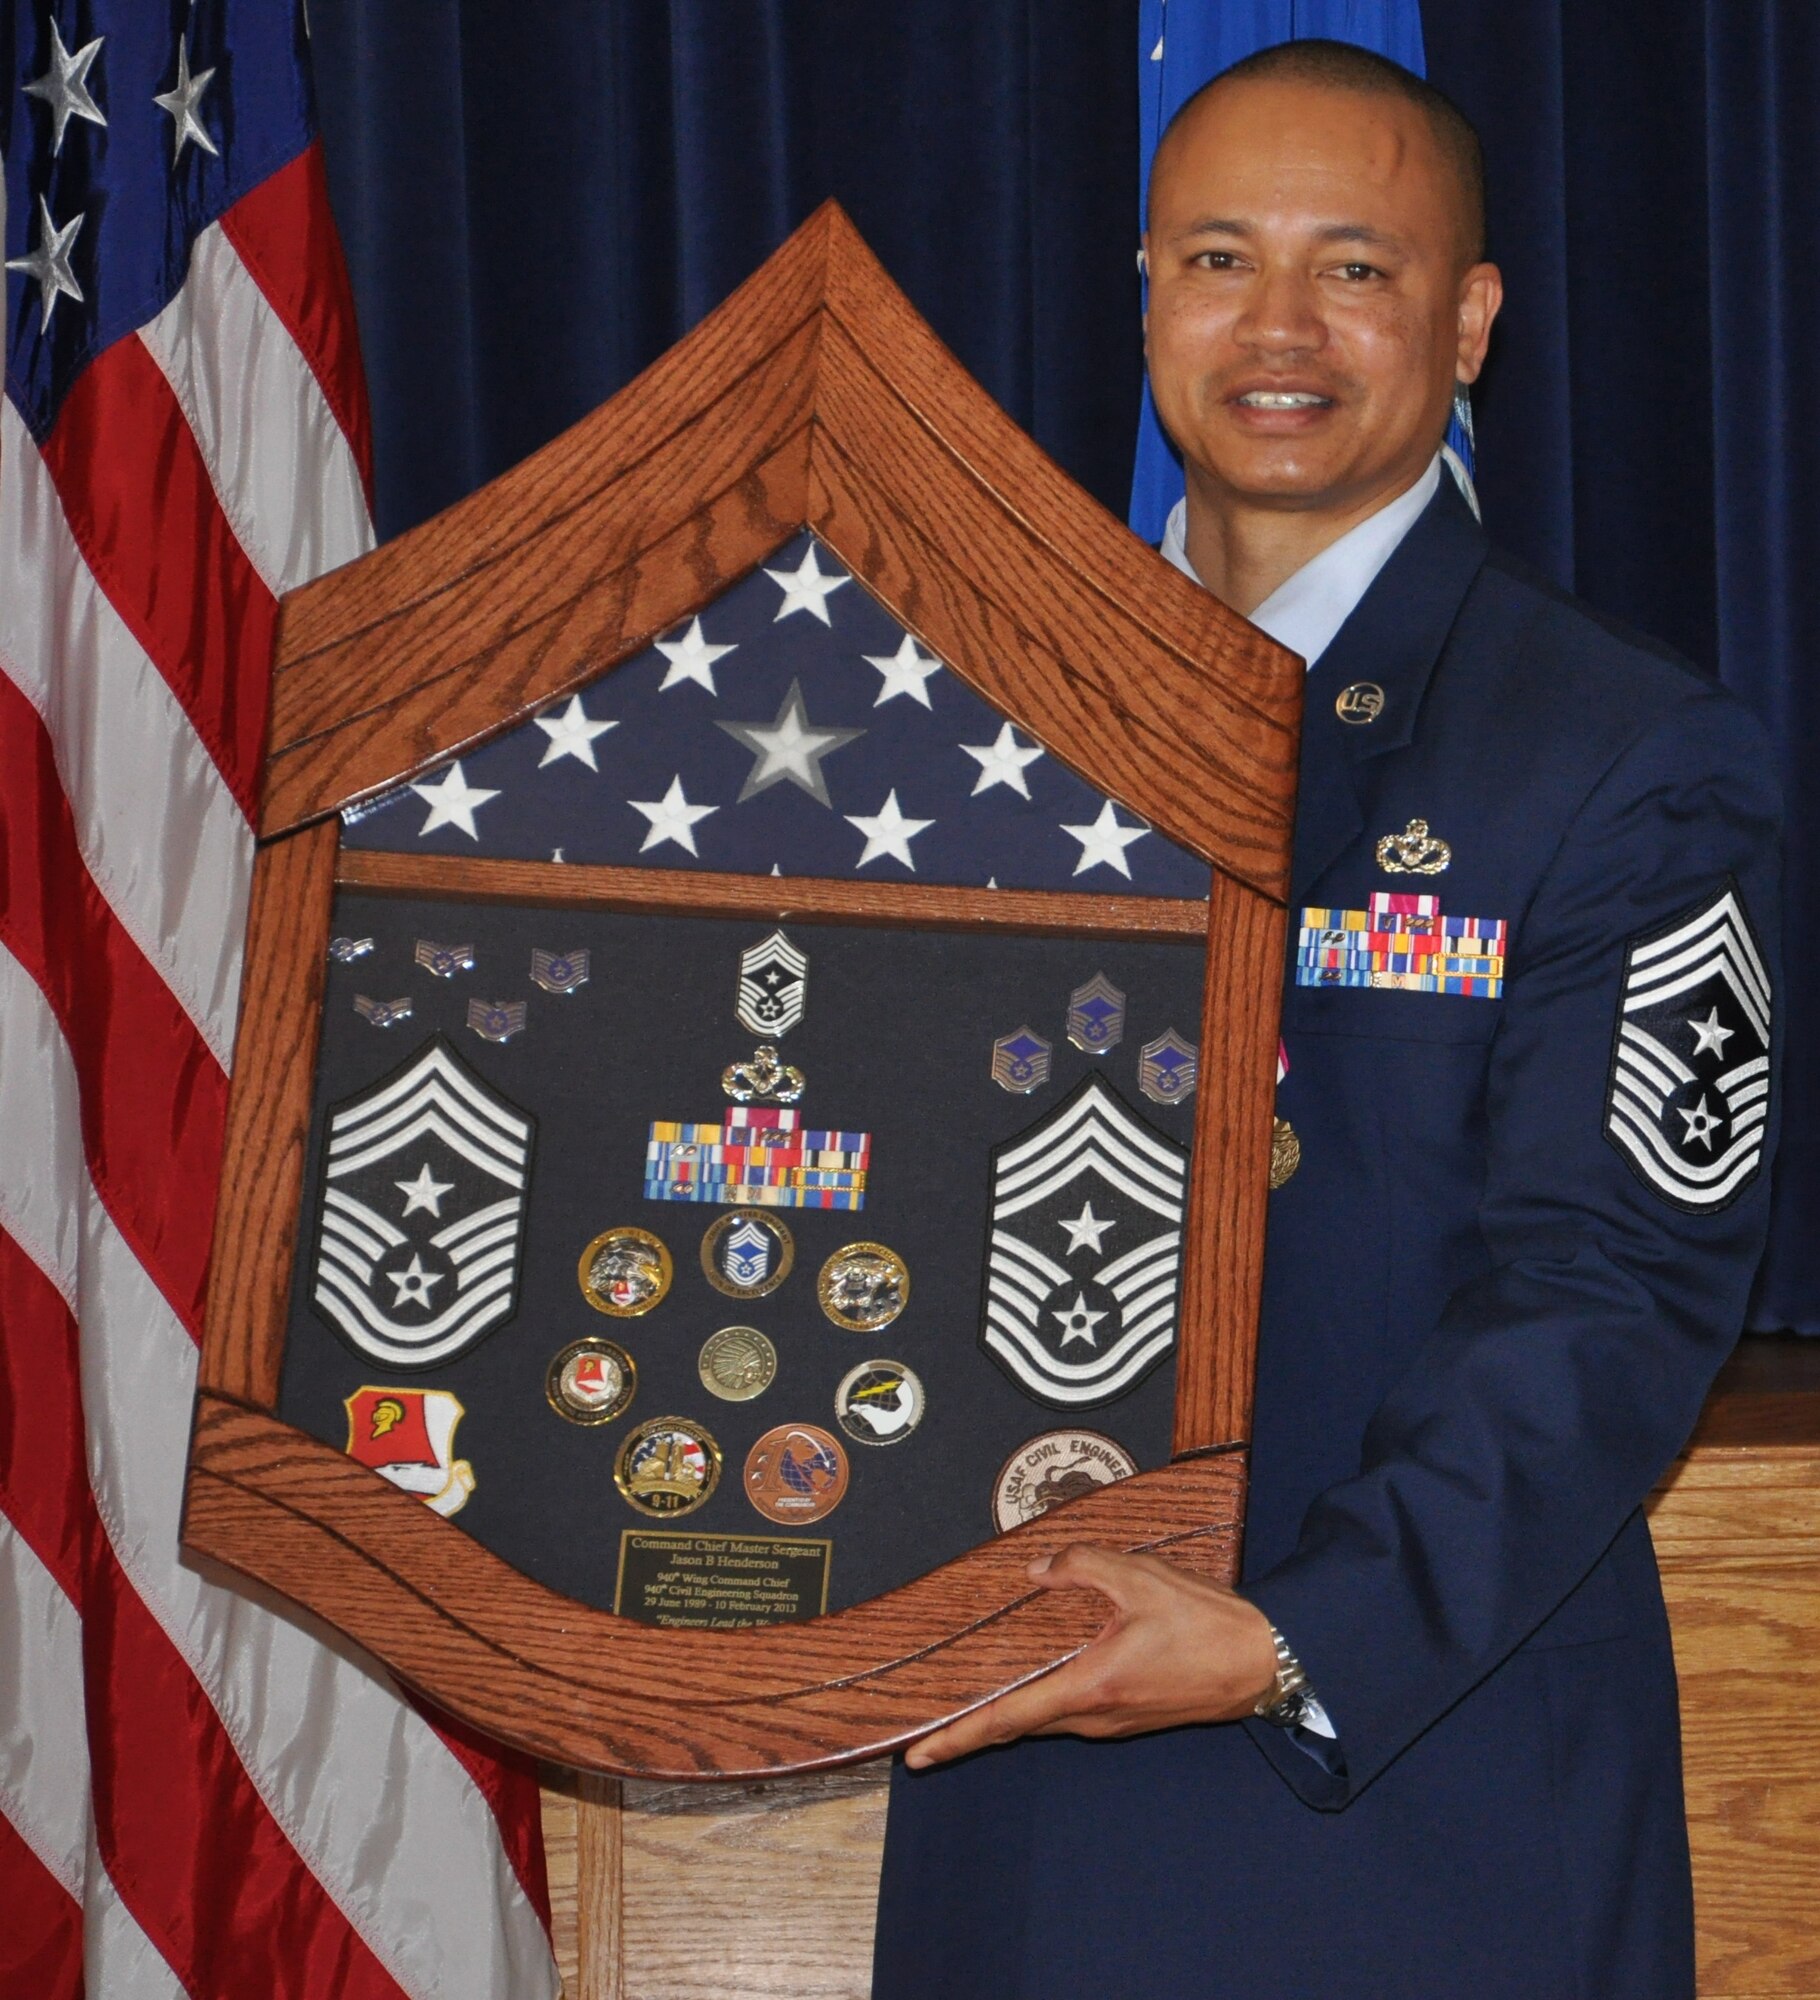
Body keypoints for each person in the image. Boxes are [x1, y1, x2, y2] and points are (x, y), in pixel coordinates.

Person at [871, 40, 1780, 2000]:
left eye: (1353, 268)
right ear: (1143, 295)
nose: (1277, 324)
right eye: (1218, 257)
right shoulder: (971, 724)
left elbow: (1614, 1299)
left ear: (1467, 324)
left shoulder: (1621, 754)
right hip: (1018, 1798)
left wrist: (1293, 1640)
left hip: (1407, 1811)